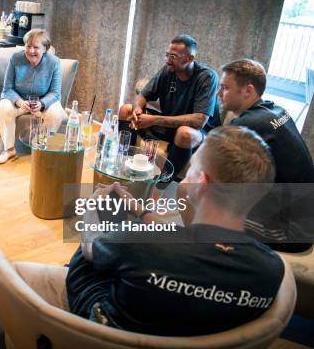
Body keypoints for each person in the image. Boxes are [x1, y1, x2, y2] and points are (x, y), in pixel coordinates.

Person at [67, 126, 283, 336]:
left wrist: (93, 207)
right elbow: (185, 241)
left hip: (109, 329)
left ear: (201, 183)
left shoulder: (136, 244)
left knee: (89, 249)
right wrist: (141, 212)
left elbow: (91, 248)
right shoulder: (272, 269)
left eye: (191, 171)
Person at [218, 58, 314, 251]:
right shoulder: (277, 110)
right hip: (303, 213)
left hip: (293, 231)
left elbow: (214, 168)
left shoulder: (248, 125)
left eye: (225, 88)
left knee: (209, 209)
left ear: (248, 91)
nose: (219, 93)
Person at [118, 34, 220, 179]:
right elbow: (143, 95)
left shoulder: (207, 77)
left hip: (198, 134)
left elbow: (199, 121)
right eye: (167, 55)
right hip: (171, 126)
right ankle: (123, 164)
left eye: (173, 56)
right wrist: (137, 109)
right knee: (126, 110)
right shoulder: (168, 71)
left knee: (184, 133)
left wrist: (154, 120)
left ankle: (161, 184)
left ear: (190, 59)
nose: (167, 61)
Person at [0, 29, 67, 164]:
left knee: (56, 114)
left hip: (43, 101)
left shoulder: (54, 62)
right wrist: (20, 102)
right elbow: (7, 89)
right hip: (20, 100)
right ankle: (9, 150)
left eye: (36, 47)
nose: (31, 51)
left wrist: (42, 103)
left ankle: (43, 149)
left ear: (45, 49)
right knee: (4, 107)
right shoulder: (15, 58)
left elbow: (55, 93)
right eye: (28, 46)